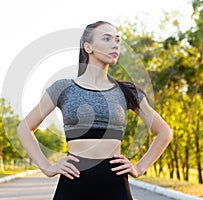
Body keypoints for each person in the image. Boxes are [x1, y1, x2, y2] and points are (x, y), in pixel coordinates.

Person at [17, 21, 172, 200]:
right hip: (73, 181)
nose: (115, 44)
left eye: (117, 40)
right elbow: (24, 128)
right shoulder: (63, 88)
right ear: (88, 47)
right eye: (106, 38)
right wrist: (47, 167)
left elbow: (164, 132)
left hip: (114, 184)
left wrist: (139, 167)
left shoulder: (127, 91)